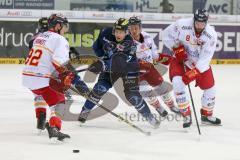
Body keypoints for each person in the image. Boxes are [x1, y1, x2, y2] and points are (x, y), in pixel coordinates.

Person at [78, 18, 160, 128]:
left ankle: (149, 117)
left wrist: (103, 65)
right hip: (110, 66)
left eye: (121, 32)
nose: (118, 34)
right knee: (100, 88)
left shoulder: (130, 43)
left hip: (128, 68)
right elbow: (96, 46)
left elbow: (119, 64)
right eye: (116, 31)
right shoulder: (105, 33)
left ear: (127, 32)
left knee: (133, 96)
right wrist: (102, 58)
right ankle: (85, 110)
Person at [22, 13, 88, 141]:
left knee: (39, 93)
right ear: (58, 26)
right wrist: (67, 75)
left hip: (27, 76)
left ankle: (40, 117)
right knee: (59, 102)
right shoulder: (60, 39)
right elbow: (59, 62)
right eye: (64, 26)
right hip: (41, 78)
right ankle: (54, 128)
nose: (65, 29)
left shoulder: (39, 36)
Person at [162, 9, 221, 128]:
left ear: (206, 22)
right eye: (197, 22)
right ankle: (186, 114)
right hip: (181, 60)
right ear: (194, 19)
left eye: (203, 23)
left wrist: (194, 72)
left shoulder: (211, 34)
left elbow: (206, 58)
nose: (200, 26)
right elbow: (166, 35)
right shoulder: (181, 24)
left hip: (199, 64)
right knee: (178, 83)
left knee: (211, 89)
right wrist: (175, 47)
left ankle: (206, 115)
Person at [128, 16, 180, 117]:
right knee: (145, 92)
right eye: (131, 28)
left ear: (140, 27)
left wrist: (163, 58)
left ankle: (172, 106)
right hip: (136, 72)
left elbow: (154, 54)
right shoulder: (127, 42)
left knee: (162, 87)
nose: (134, 30)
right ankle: (158, 107)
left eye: (136, 28)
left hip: (149, 68)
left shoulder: (147, 37)